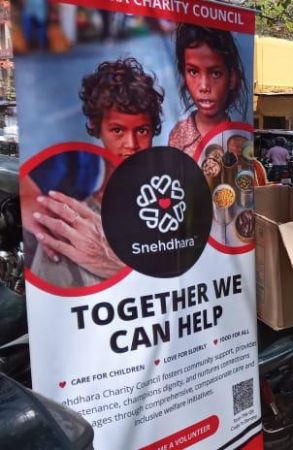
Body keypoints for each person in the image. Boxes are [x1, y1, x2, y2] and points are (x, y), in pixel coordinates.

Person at [21, 58, 165, 288]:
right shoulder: (74, 226)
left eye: (142, 130)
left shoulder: (169, 200)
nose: (131, 144)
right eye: (117, 130)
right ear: (97, 127)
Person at [169, 24, 247, 157]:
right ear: (184, 76)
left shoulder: (240, 142)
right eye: (193, 71)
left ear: (232, 78)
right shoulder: (178, 135)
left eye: (215, 73)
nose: (204, 86)